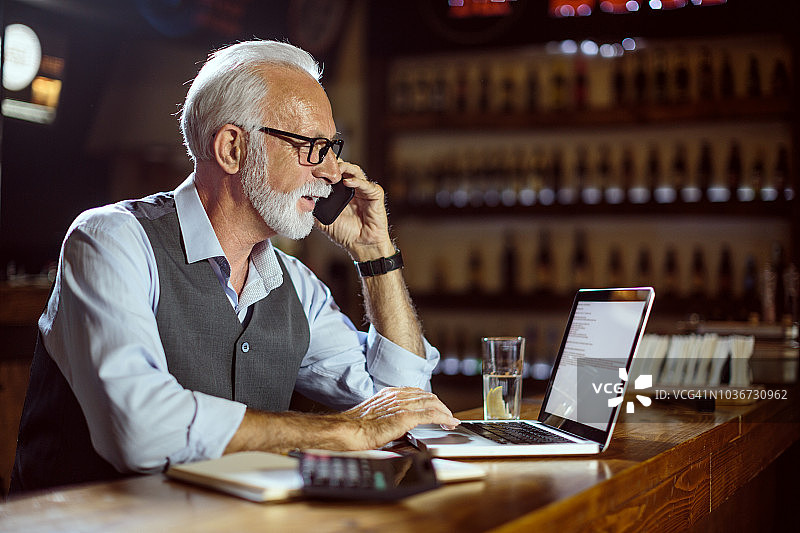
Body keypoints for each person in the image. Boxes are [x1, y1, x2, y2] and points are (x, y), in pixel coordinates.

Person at [11, 40, 459, 493]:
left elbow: (403, 405)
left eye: (331, 147)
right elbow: (139, 429)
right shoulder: (111, 240)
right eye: (312, 147)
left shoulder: (295, 284)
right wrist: (347, 431)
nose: (332, 171)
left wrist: (374, 251)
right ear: (231, 148)